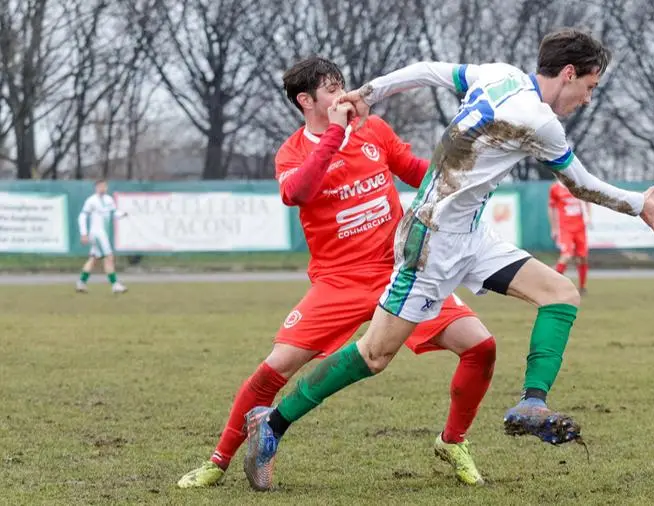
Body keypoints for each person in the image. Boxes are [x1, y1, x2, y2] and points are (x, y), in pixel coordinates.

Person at [244, 29, 654, 487]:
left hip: (471, 236)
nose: (587, 98)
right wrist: (637, 203)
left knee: (561, 294)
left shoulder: (498, 75)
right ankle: (273, 423)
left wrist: (371, 92)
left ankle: (531, 403)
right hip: (429, 244)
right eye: (590, 86)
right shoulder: (541, 122)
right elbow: (580, 184)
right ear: (569, 74)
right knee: (374, 353)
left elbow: (427, 71)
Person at [177, 56, 497, 491]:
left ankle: (452, 441)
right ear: (306, 100)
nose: (342, 94)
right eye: (331, 89)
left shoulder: (374, 130)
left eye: (343, 84)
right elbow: (298, 192)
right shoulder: (293, 152)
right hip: (339, 281)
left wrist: (466, 176)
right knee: (274, 369)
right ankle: (218, 462)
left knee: (480, 346)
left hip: (399, 271)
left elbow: (415, 172)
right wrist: (333, 134)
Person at [75, 179, 128, 294]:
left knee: (93, 259)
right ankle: (115, 284)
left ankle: (81, 283)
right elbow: (82, 216)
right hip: (97, 233)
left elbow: (113, 212)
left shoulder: (109, 200)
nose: (102, 188)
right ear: (96, 188)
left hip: (104, 232)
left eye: (104, 186)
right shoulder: (91, 201)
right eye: (100, 186)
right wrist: (84, 233)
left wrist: (122, 214)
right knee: (109, 257)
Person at [548, 180, 591, 294]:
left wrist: (588, 216)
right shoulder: (555, 188)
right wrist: (554, 228)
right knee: (567, 255)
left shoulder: (579, 184)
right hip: (565, 228)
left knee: (583, 257)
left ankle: (582, 287)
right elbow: (551, 208)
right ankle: (552, 284)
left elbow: (587, 201)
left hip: (580, 227)